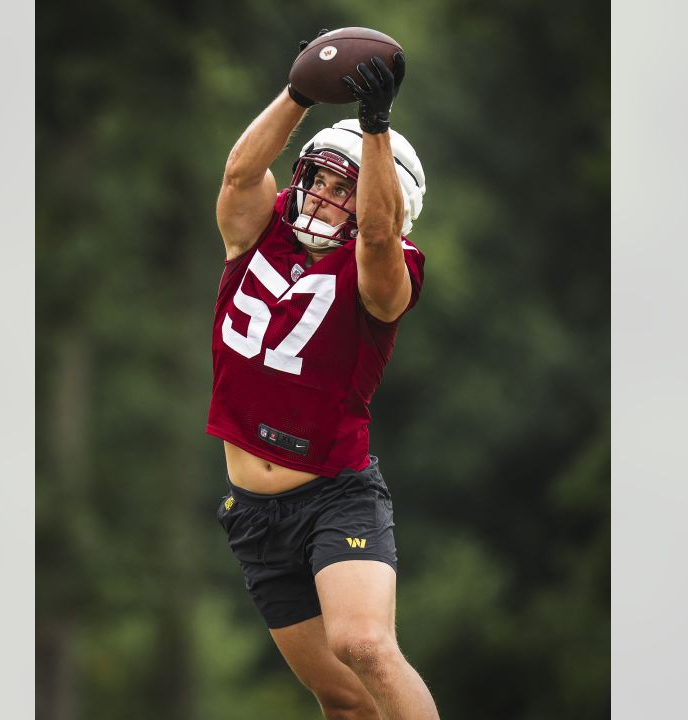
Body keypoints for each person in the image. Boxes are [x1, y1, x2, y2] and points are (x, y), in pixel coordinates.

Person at [206, 31, 441, 720]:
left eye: (351, 187)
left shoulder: (386, 271)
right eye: (323, 178)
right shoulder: (258, 229)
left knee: (363, 646)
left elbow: (373, 238)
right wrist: (300, 93)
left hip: (334, 497)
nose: (328, 196)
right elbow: (239, 176)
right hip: (252, 511)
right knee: (340, 701)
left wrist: (375, 128)